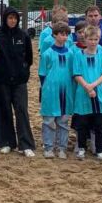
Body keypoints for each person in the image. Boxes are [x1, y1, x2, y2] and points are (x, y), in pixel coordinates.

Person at [0, 7, 35, 156]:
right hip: (2, 80)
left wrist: (24, 72)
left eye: (15, 18)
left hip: (20, 81)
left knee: (21, 110)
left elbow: (29, 57)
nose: (13, 20)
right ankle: (6, 142)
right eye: (10, 18)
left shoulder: (23, 35)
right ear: (5, 19)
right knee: (3, 110)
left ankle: (25, 144)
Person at [72, 25, 102, 159]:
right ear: (85, 39)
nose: (93, 42)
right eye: (90, 39)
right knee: (82, 123)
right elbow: (77, 74)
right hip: (83, 92)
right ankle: (81, 148)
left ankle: (99, 150)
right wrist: (87, 87)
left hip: (99, 91)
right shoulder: (78, 55)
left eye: (96, 39)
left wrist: (93, 86)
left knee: (99, 124)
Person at [39, 22, 73, 158]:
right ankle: (48, 147)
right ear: (54, 35)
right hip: (51, 91)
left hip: (66, 90)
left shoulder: (70, 53)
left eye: (66, 35)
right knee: (49, 120)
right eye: (61, 34)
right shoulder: (47, 53)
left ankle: (62, 148)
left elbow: (72, 73)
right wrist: (45, 88)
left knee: (63, 121)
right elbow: (42, 73)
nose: (64, 37)